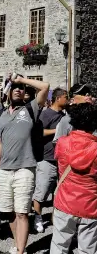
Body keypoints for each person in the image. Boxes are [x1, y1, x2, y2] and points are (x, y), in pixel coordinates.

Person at [0, 74, 49, 254]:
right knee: (9, 212)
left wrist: (21, 79)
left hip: (25, 168)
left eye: (22, 88)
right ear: (8, 91)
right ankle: (19, 245)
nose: (18, 89)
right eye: (15, 87)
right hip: (4, 170)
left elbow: (45, 87)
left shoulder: (31, 108)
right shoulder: (1, 113)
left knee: (22, 212)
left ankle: (20, 251)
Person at [50, 103, 97, 254]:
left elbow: (58, 161)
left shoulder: (63, 143)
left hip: (65, 200)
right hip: (90, 203)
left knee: (59, 245)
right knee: (88, 249)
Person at [33, 88, 68, 233]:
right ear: (58, 98)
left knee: (58, 193)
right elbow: (38, 132)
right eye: (66, 97)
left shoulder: (65, 115)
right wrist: (58, 130)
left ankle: (55, 220)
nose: (68, 99)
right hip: (46, 159)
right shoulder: (46, 114)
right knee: (41, 193)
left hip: (62, 160)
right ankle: (37, 217)